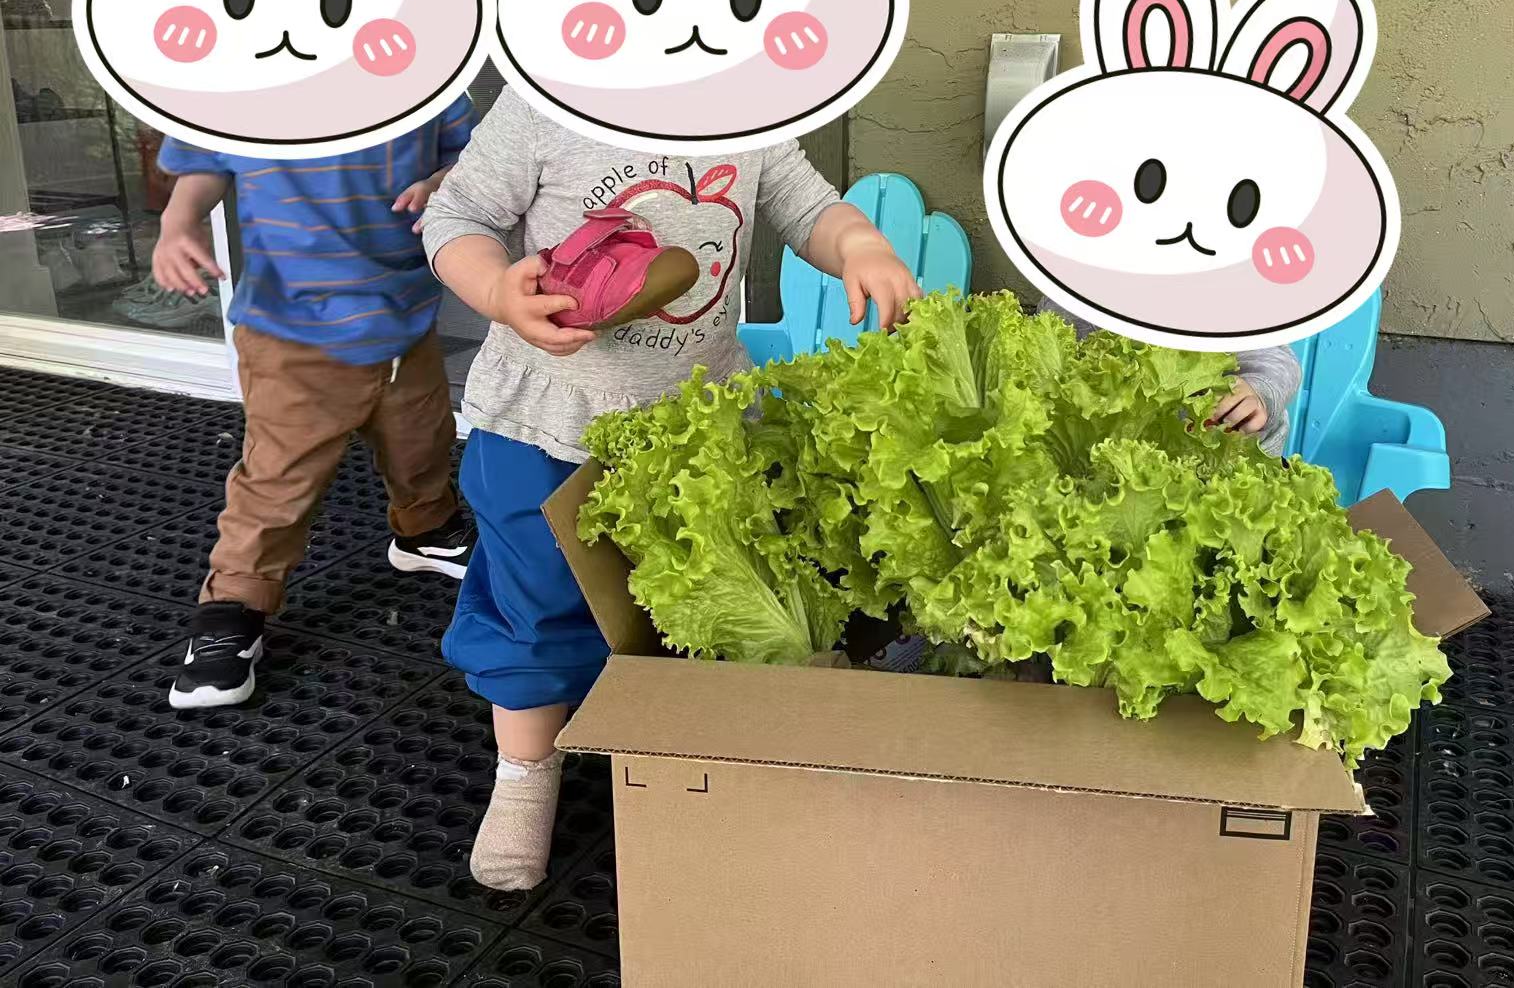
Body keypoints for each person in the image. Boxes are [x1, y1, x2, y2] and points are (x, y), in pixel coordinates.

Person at [421, 87, 923, 891]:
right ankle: (526, 771)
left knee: (701, 597)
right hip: (548, 421)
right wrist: (495, 292)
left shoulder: (744, 110)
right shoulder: (545, 105)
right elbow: (457, 215)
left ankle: (687, 758)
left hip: (697, 419)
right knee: (534, 603)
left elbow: (806, 206)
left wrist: (860, 243)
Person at [151, 96, 480, 710]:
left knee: (422, 439)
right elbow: (204, 156)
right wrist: (180, 221)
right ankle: (232, 607)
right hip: (291, 332)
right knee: (279, 476)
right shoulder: (255, 84)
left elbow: (471, 153)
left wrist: (444, 182)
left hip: (402, 316)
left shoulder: (423, 82)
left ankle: (426, 529)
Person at [1036, 297, 1301, 457]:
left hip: (1217, 452)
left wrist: (1257, 391)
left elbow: (1275, 358)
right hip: (1111, 456)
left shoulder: (1222, 292)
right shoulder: (1071, 299)